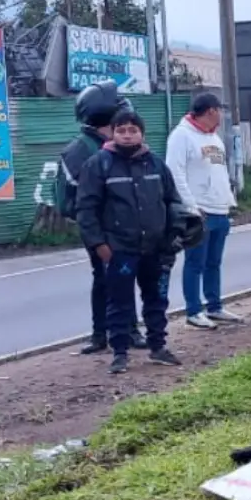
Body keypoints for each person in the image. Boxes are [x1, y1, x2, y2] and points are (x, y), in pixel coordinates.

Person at [75, 108, 184, 375]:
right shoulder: (99, 164)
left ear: (141, 134)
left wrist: (174, 234)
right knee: (119, 303)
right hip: (119, 250)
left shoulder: (156, 164)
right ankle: (120, 354)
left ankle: (158, 347)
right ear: (112, 133)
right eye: (121, 130)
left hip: (155, 248)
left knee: (156, 299)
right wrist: (99, 245)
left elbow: (172, 202)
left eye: (132, 130)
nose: (127, 135)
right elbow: (86, 209)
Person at [58, 80, 145, 354]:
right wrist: (96, 229)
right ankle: (109, 333)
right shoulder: (82, 150)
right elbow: (76, 198)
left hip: (120, 227)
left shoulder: (110, 146)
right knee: (109, 277)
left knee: (118, 276)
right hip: (99, 228)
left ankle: (118, 332)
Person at [164, 92, 243, 330]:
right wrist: (190, 206)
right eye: (219, 110)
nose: (221, 115)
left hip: (220, 209)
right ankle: (193, 310)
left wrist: (229, 201)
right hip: (199, 211)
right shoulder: (181, 136)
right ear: (211, 111)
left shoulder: (214, 138)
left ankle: (214, 305)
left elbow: (217, 172)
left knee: (214, 262)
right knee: (195, 262)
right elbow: (174, 173)